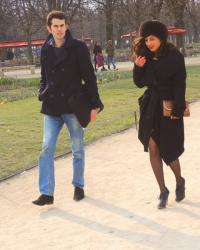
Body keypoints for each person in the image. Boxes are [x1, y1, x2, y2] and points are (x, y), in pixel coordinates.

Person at [32, 11, 104, 206]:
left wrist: (95, 103)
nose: (59, 29)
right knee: (46, 148)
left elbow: (89, 77)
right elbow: (44, 76)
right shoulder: (45, 49)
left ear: (67, 26)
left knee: (77, 148)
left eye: (62, 25)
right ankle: (46, 193)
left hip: (73, 105)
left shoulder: (78, 48)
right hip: (52, 105)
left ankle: (78, 185)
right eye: (55, 26)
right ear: (49, 28)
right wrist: (41, 92)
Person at [132, 20, 186, 209]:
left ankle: (179, 180)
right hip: (151, 107)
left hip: (169, 107)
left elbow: (180, 84)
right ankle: (163, 190)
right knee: (153, 147)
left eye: (152, 39)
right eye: (146, 39)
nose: (148, 43)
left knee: (170, 152)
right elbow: (139, 83)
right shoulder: (144, 56)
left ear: (162, 38)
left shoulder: (175, 57)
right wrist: (138, 67)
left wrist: (178, 108)